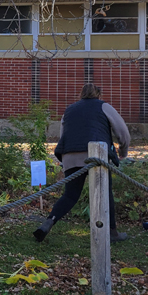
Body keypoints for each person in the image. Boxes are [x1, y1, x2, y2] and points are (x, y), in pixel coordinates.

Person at [34, 83, 130, 243]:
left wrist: (65, 160)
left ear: (81, 95)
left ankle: (49, 221)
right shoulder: (104, 106)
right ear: (98, 95)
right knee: (106, 194)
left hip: (70, 156)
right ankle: (112, 232)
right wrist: (123, 153)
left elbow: (63, 135)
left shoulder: (69, 110)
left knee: (70, 195)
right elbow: (123, 132)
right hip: (96, 156)